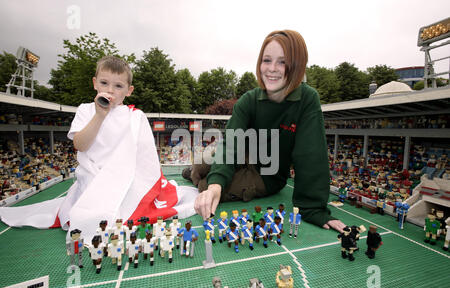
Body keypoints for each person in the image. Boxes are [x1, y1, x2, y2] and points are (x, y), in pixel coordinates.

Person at [0, 56, 197, 242]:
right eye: (104, 83)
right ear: (95, 83)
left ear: (129, 90)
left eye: (118, 86)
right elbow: (81, 145)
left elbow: (146, 160)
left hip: (127, 178)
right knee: (95, 217)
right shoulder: (86, 110)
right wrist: (99, 116)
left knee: (125, 211)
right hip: (94, 176)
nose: (110, 90)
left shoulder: (135, 116)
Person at [189, 30, 345, 232]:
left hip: (267, 176)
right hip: (245, 156)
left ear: (297, 65)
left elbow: (311, 154)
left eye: (282, 62)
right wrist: (216, 184)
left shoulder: (307, 99)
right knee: (203, 166)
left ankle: (200, 180)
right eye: (267, 60)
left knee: (204, 188)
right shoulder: (249, 100)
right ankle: (195, 174)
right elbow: (231, 143)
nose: (272, 69)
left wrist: (314, 208)